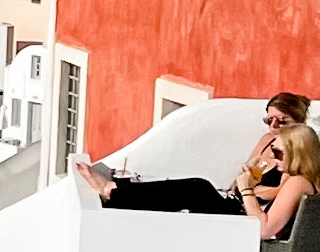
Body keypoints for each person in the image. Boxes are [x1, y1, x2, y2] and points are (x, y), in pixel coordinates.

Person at [75, 91, 307, 214]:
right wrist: (243, 183)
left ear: (298, 122)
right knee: (184, 189)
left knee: (197, 187)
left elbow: (280, 192)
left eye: (281, 121)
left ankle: (113, 192)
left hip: (247, 212)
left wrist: (248, 189)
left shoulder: (294, 154)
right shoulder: (267, 140)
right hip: (238, 200)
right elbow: (246, 171)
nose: (273, 126)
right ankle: (117, 192)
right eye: (269, 119)